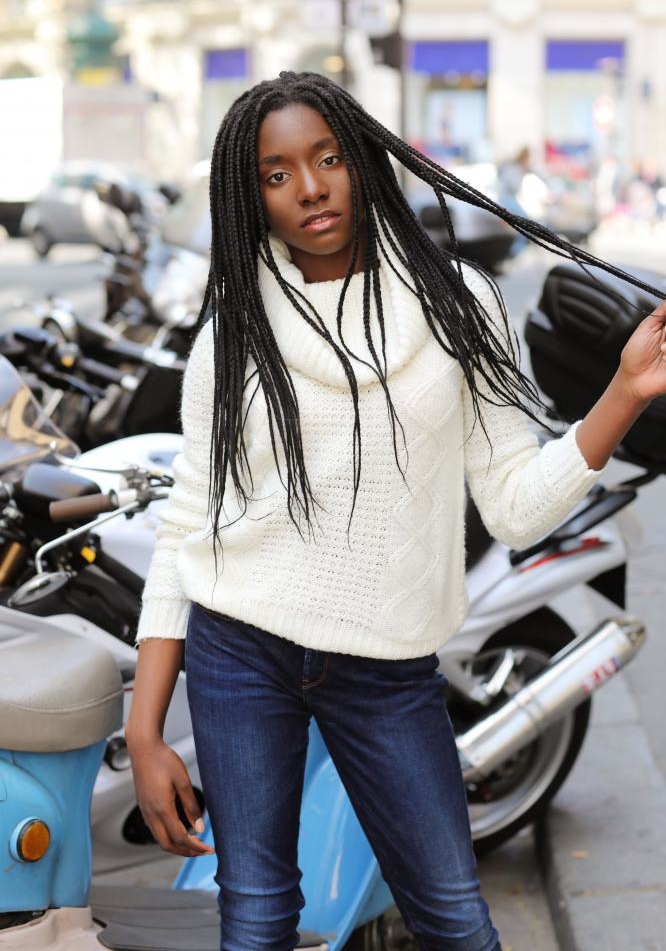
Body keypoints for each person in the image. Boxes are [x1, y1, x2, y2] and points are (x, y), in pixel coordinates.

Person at [126, 71, 666, 951]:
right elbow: (189, 523)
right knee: (255, 919)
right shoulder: (235, 331)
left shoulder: (459, 305)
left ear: (363, 159)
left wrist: (626, 394)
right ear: (251, 195)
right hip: (240, 648)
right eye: (276, 174)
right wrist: (145, 730)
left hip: (388, 663)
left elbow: (515, 506)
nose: (309, 188)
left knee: (455, 919)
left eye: (328, 158)